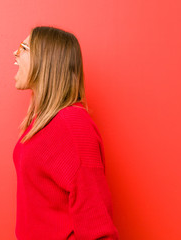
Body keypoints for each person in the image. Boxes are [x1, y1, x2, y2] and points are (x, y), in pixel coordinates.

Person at [12, 26, 119, 240]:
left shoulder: (72, 125)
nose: (16, 54)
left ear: (45, 60)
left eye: (24, 48)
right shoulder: (42, 122)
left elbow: (97, 224)